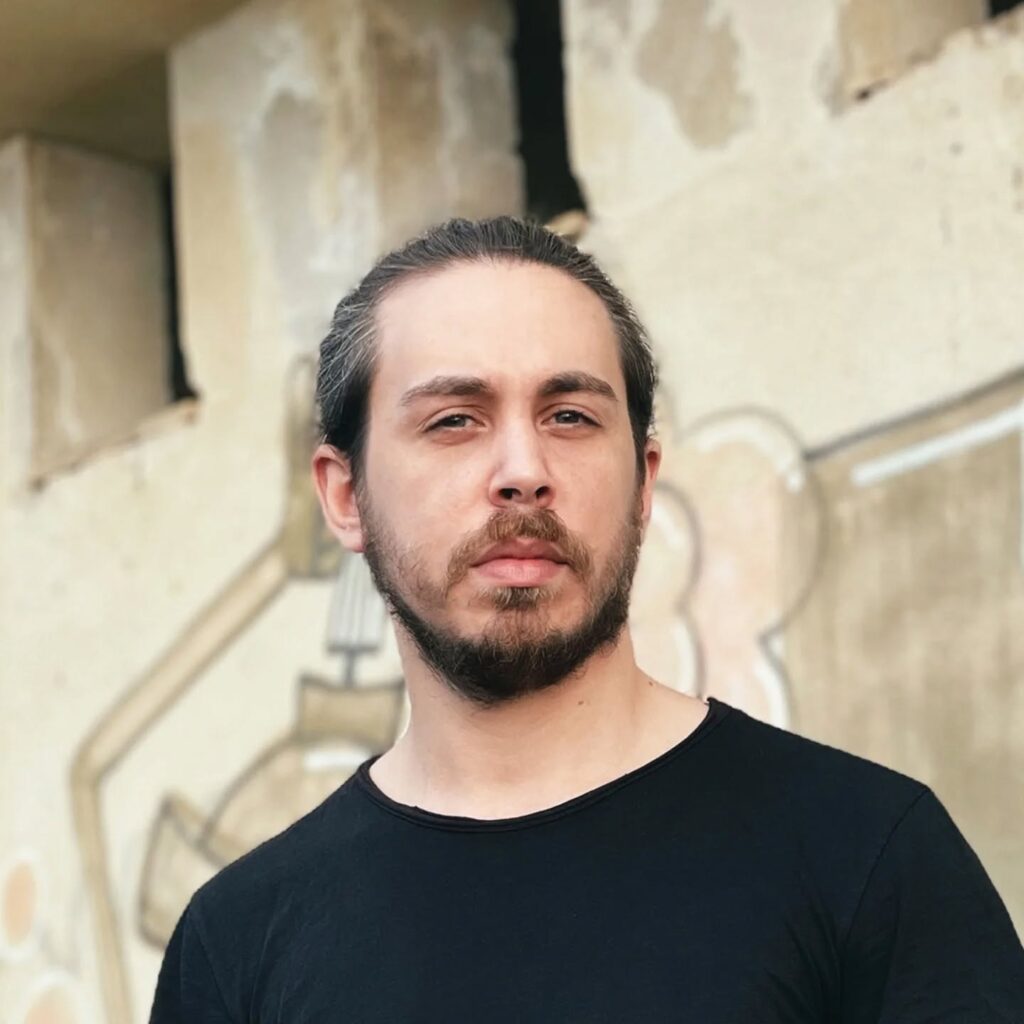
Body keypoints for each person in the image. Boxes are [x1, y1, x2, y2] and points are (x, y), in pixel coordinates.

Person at [150, 216, 1024, 1023]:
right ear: (345, 496)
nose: (523, 470)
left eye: (569, 416)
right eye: (455, 420)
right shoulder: (236, 946)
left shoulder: (865, 856)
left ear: (643, 481)